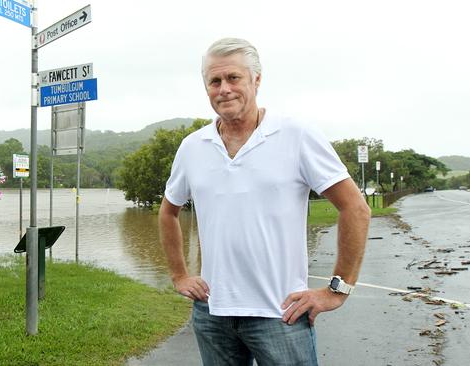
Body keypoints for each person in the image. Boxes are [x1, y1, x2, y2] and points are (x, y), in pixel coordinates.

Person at [159, 38, 371, 366]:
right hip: (212, 312)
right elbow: (169, 212)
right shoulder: (192, 147)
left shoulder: (296, 135)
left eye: (233, 78)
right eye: (214, 81)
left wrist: (337, 290)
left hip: (281, 313)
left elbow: (355, 208)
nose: (224, 89)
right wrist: (180, 275)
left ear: (256, 80)